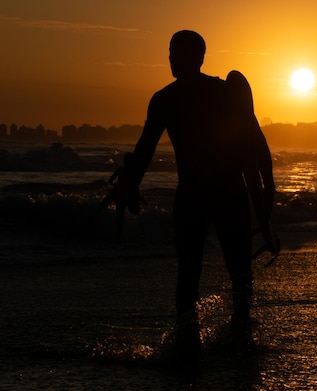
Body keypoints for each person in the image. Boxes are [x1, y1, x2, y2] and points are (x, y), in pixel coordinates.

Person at [117, 30, 275, 349]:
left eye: (179, 53)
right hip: (197, 194)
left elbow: (251, 152)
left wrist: (264, 212)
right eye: (171, 52)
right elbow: (145, 148)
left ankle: (237, 332)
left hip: (224, 193)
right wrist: (129, 185)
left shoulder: (220, 93)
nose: (173, 59)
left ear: (200, 57)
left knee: (236, 269)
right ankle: (191, 338)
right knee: (192, 271)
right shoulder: (165, 100)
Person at [97, 152, 146, 241]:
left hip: (115, 191)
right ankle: (117, 239)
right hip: (123, 195)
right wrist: (141, 198)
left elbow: (110, 181)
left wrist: (116, 185)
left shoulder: (120, 169)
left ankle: (89, 226)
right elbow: (134, 188)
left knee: (99, 208)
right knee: (119, 218)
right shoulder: (133, 173)